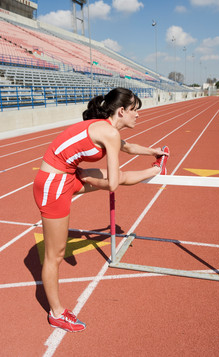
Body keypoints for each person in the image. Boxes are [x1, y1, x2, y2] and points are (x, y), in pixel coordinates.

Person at [33, 87, 169, 333]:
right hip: (53, 185)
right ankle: (56, 313)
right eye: (135, 111)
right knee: (56, 254)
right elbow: (113, 184)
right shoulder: (109, 133)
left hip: (65, 176)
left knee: (120, 175)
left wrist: (153, 151)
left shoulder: (107, 127)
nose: (138, 115)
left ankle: (157, 169)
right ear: (121, 111)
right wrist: (88, 177)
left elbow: (127, 148)